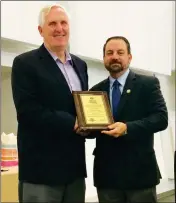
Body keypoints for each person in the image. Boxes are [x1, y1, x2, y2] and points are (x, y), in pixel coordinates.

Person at [11, 3, 88, 203]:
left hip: (75, 171)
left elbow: (84, 107)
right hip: (42, 173)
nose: (59, 28)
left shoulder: (80, 65)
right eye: (52, 23)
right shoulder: (25, 63)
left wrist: (91, 124)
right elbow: (27, 111)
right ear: (40, 30)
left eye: (64, 23)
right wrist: (71, 122)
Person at [89, 36, 168, 203]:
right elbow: (93, 129)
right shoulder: (95, 92)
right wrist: (84, 128)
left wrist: (128, 128)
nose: (114, 56)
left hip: (140, 174)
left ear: (129, 57)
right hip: (107, 176)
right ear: (104, 58)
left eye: (120, 52)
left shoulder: (148, 84)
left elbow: (161, 118)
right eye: (109, 53)